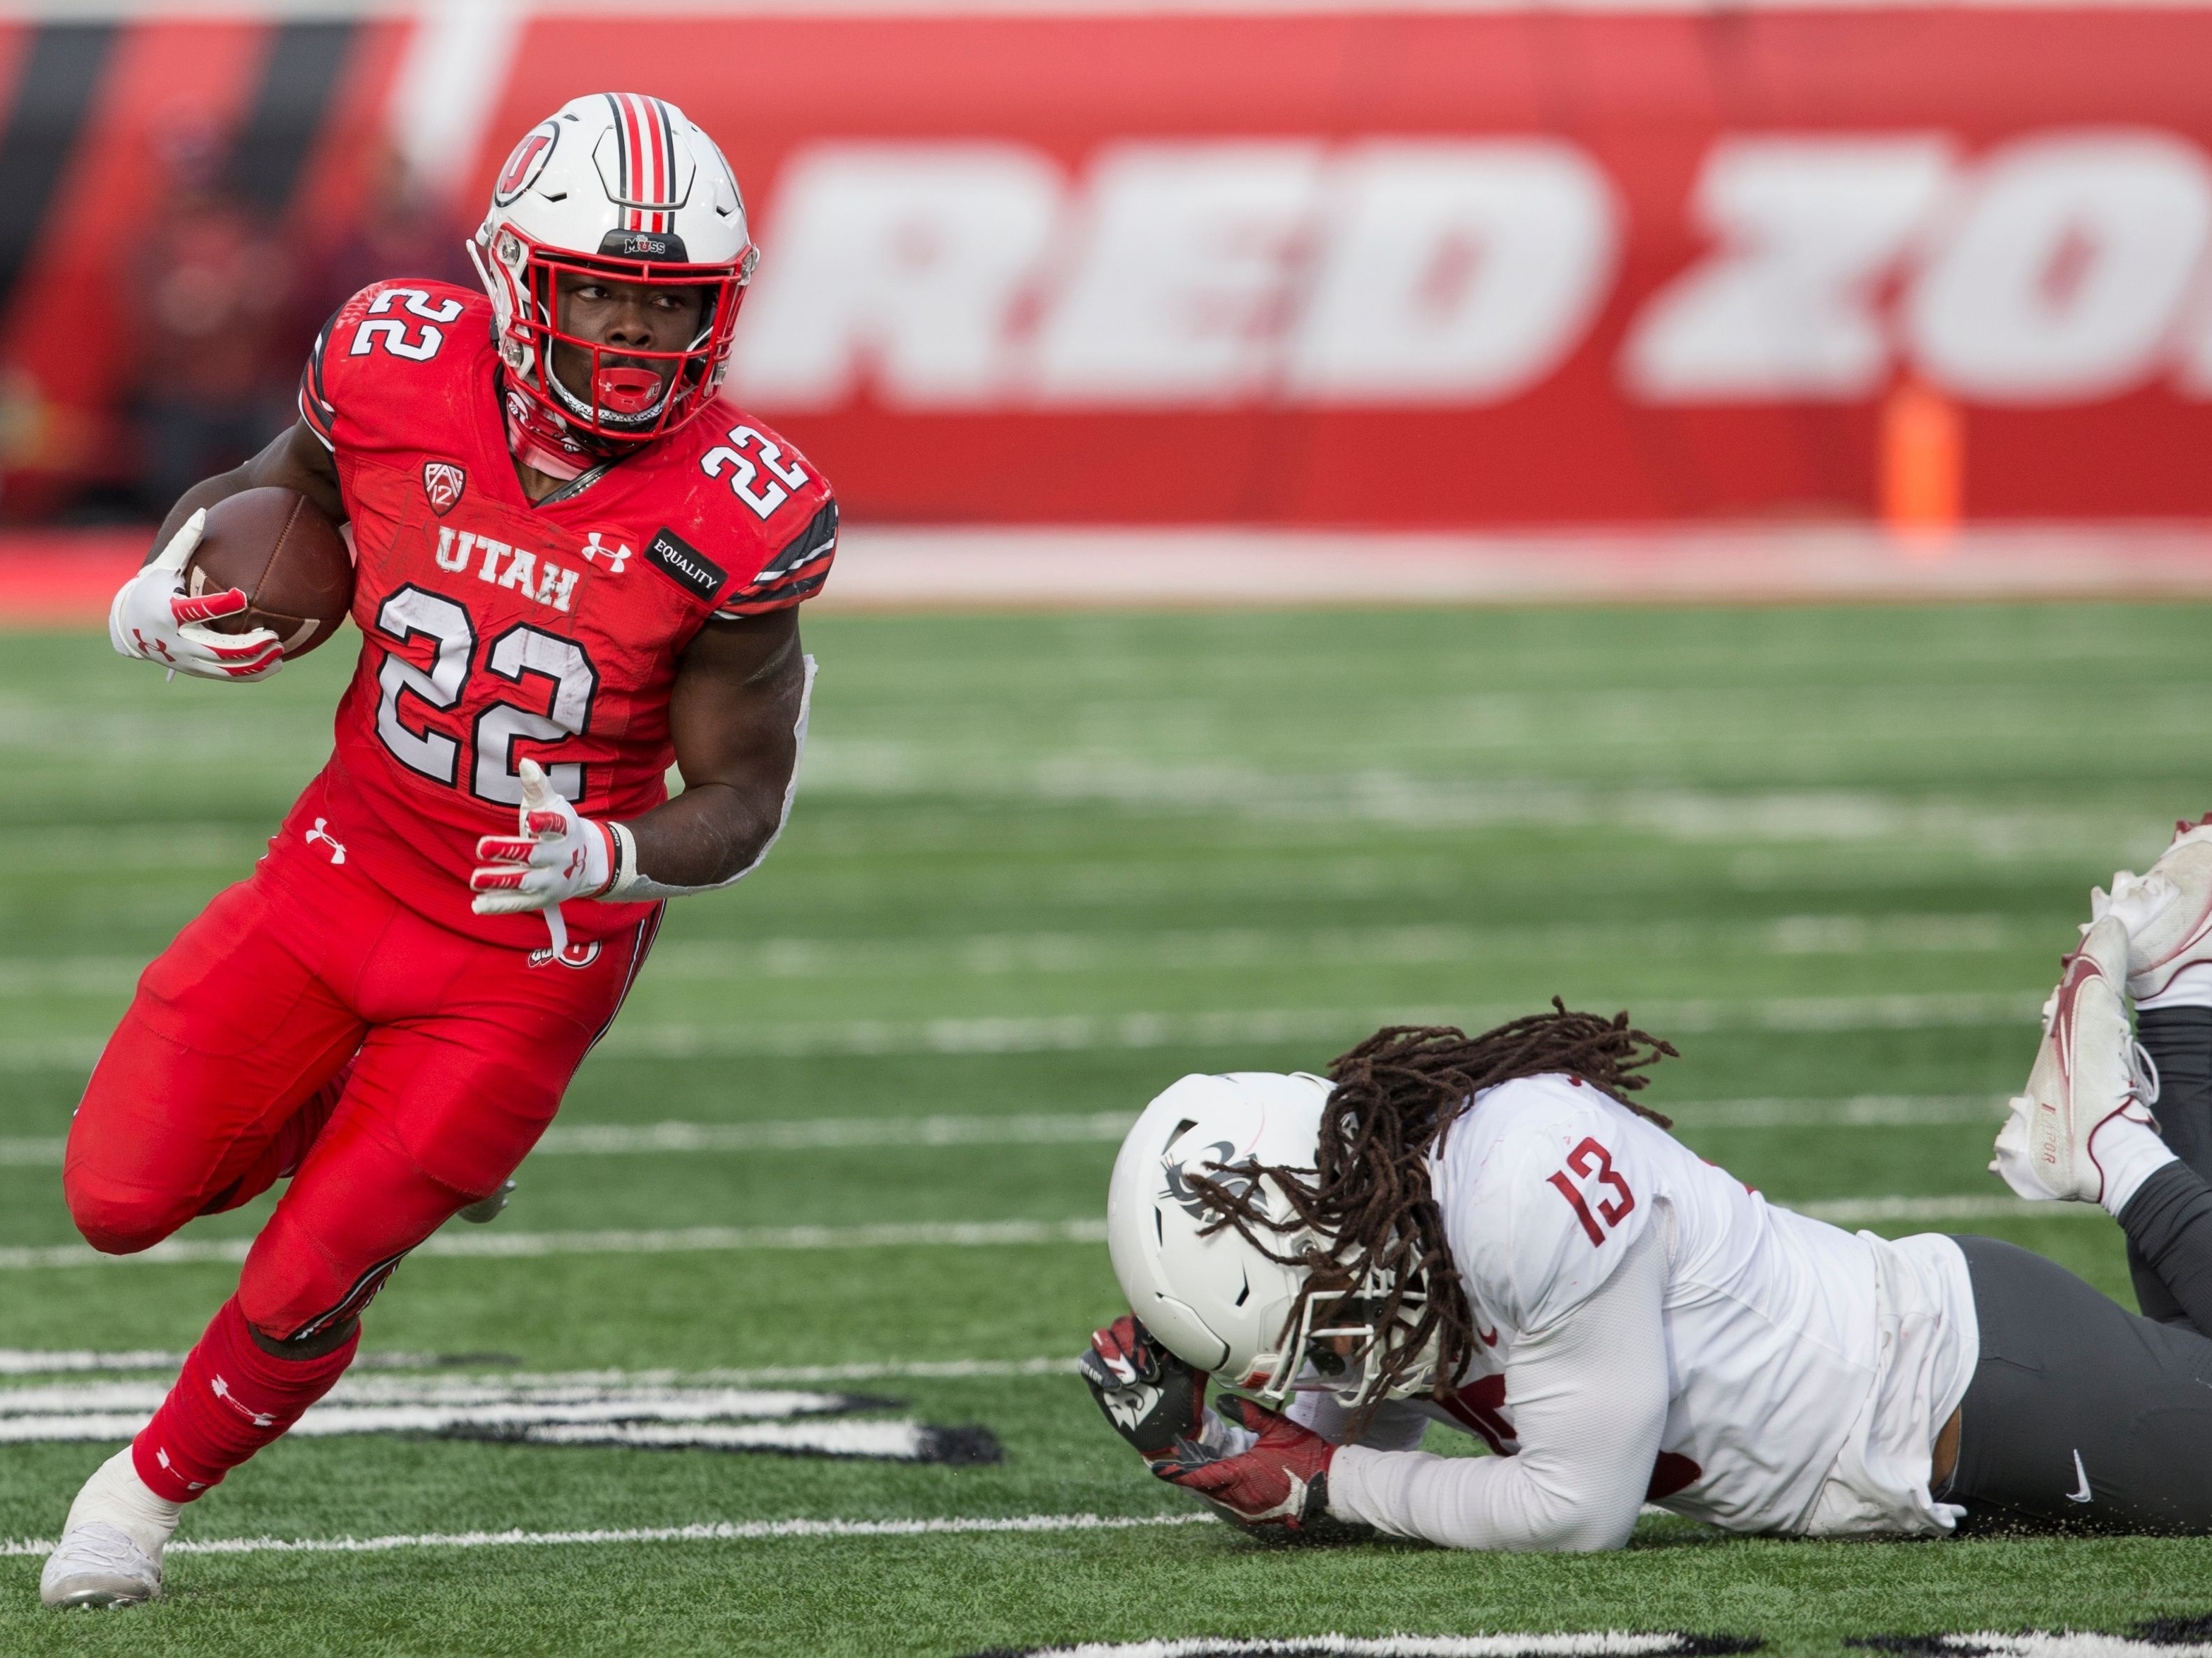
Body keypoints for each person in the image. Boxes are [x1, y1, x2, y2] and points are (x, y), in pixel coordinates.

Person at [47, 93, 837, 1609]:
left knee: (304, 1273)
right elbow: (278, 495)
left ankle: (132, 1500)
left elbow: (742, 795)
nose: (629, 330)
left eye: (668, 302)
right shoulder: (392, 359)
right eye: (599, 288)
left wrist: (608, 853)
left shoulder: (744, 514)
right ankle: (345, 1100)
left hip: (521, 955)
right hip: (336, 869)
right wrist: (165, 570)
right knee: (116, 1193)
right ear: (513, 274)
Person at [1081, 815, 2212, 1547]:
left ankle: (2110, 1148)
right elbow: (1348, 1479)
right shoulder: (1387, 1232)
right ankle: (2176, 1008)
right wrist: (1219, 1458)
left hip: (1961, 1389)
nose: (1330, 1369)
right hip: (1940, 1410)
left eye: (1314, 1339)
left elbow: (1573, 1509)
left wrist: (1322, 1479)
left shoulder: (1515, 1183)